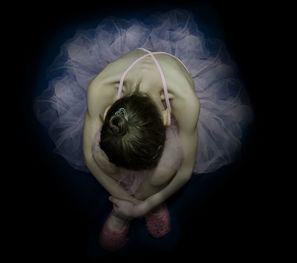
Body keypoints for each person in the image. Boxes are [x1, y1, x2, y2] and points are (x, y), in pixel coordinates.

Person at [34, 9, 253, 252]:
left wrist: (143, 207)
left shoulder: (185, 102)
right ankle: (127, 206)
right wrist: (126, 201)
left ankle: (141, 203)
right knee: (100, 156)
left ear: (167, 118)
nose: (131, 173)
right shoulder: (100, 90)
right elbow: (88, 155)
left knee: (162, 171)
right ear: (107, 113)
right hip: (130, 109)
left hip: (167, 104)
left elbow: (184, 171)